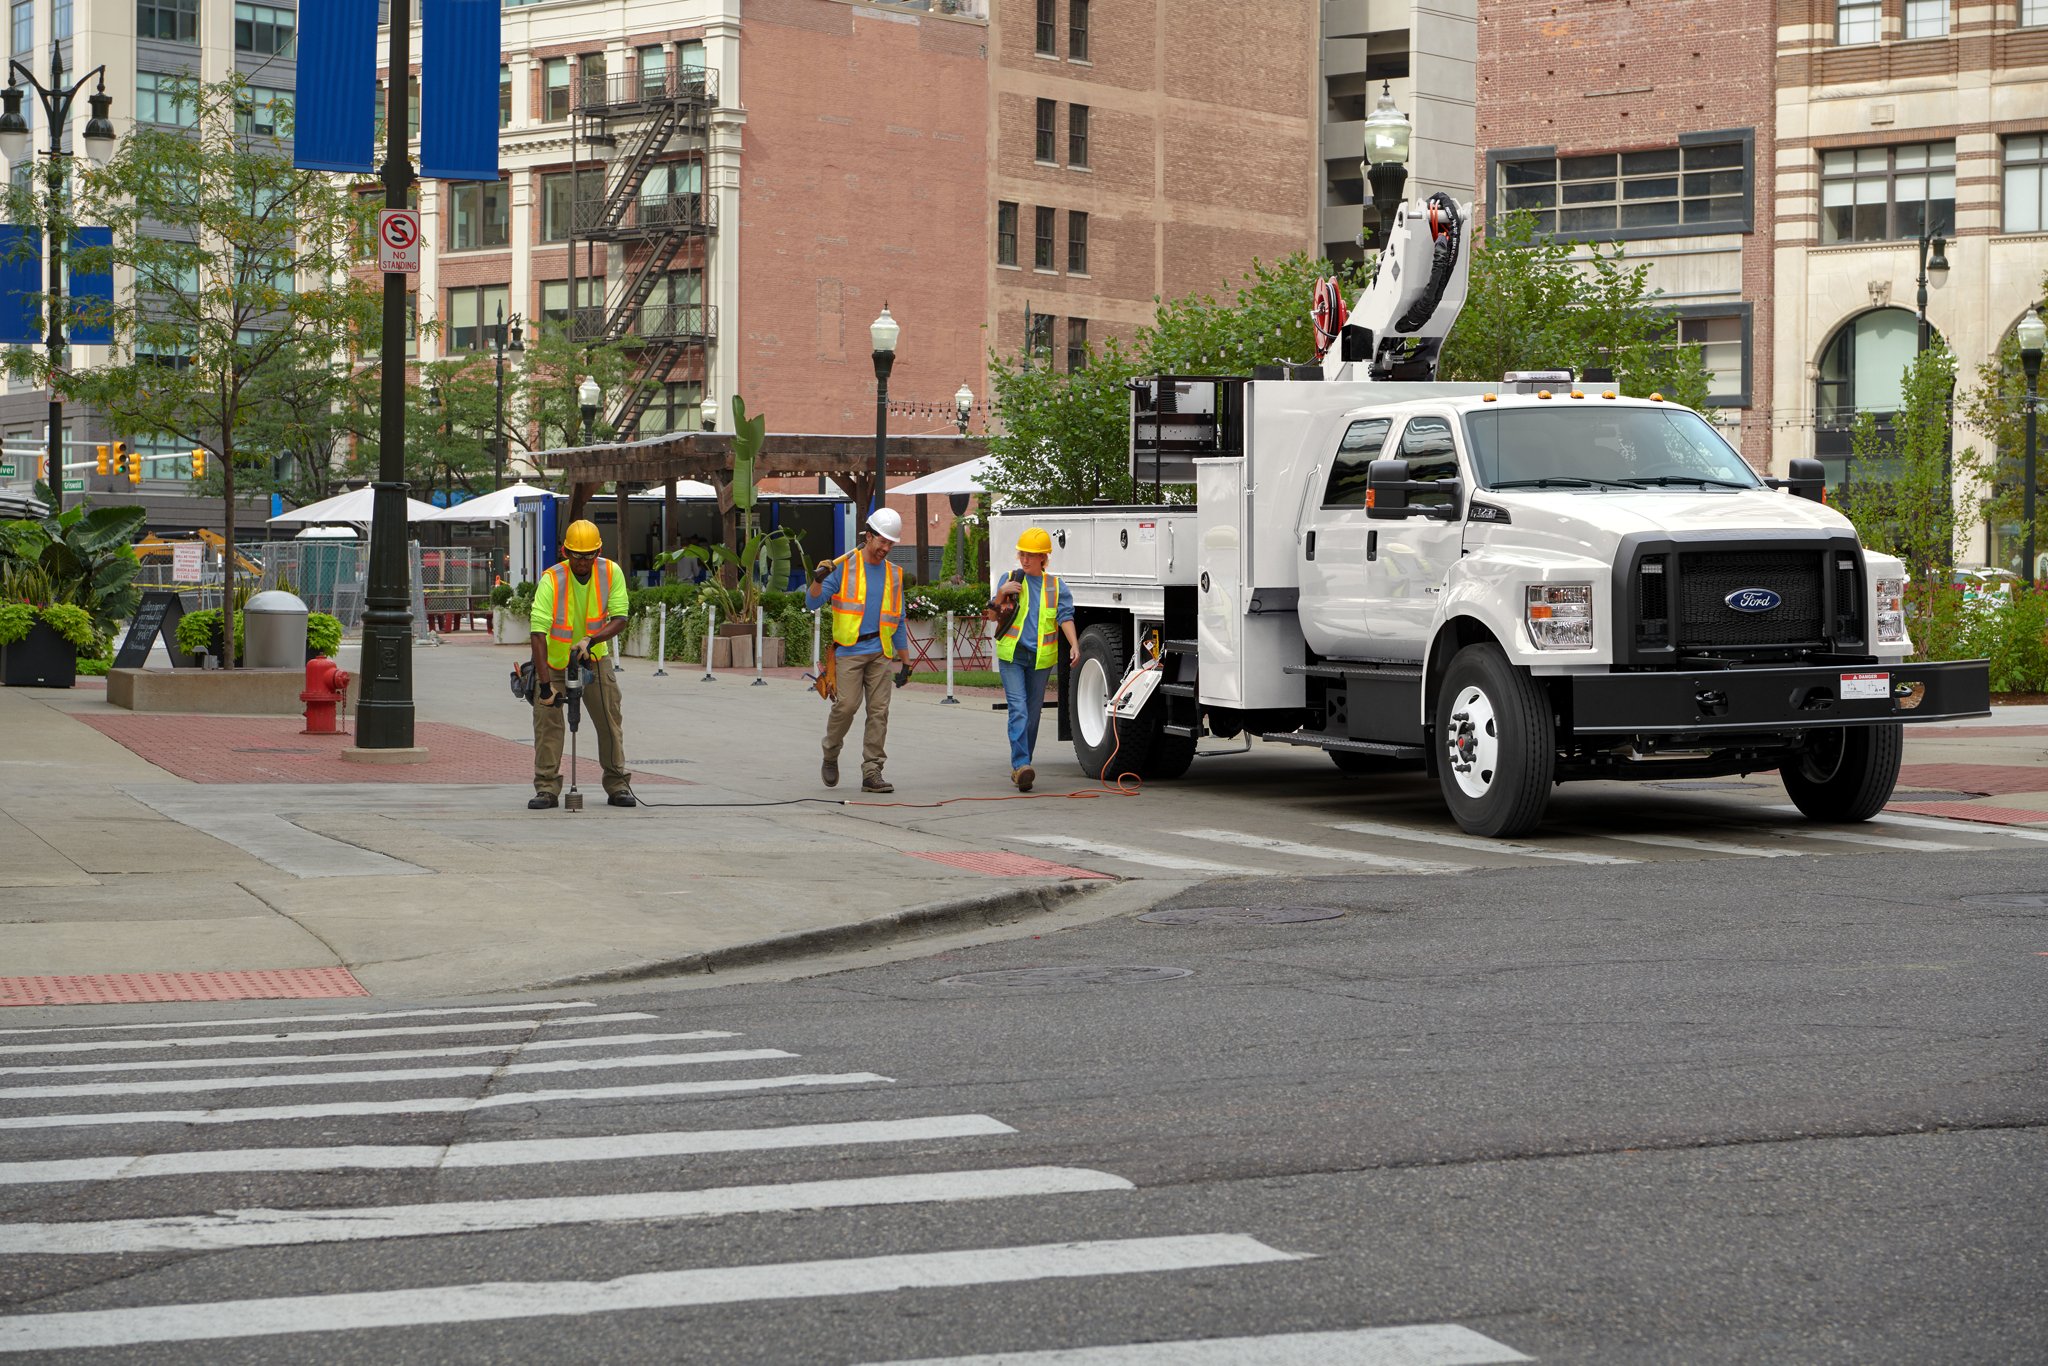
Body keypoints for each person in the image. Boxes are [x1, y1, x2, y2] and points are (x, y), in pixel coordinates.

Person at [527, 518, 636, 809]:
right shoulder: (551, 579)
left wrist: (591, 640)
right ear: (565, 552)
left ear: (599, 551)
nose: (584, 562)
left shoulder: (611, 572)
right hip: (554, 662)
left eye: (590, 555)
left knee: (610, 722)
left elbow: (620, 618)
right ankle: (547, 788)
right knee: (548, 724)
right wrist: (545, 685)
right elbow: (538, 633)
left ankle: (618, 785)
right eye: (578, 556)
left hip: (594, 659)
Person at [807, 507, 909, 793]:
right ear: (868, 536)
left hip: (881, 652)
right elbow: (812, 603)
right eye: (882, 542)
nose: (886, 548)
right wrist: (817, 580)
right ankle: (830, 752)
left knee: (879, 711)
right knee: (847, 706)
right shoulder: (842, 568)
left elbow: (898, 620)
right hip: (849, 650)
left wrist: (906, 662)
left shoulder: (895, 574)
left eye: (891, 543)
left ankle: (872, 770)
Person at [985, 526, 1078, 791]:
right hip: (1012, 656)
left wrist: (1075, 645)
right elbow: (992, 616)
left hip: (1040, 659)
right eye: (1022, 554)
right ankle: (1021, 764)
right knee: (1019, 710)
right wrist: (1001, 593)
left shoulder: (1056, 586)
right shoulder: (1011, 579)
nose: (1025, 560)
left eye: (1031, 555)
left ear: (1043, 558)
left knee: (1033, 715)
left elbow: (1065, 617)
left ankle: (1024, 766)